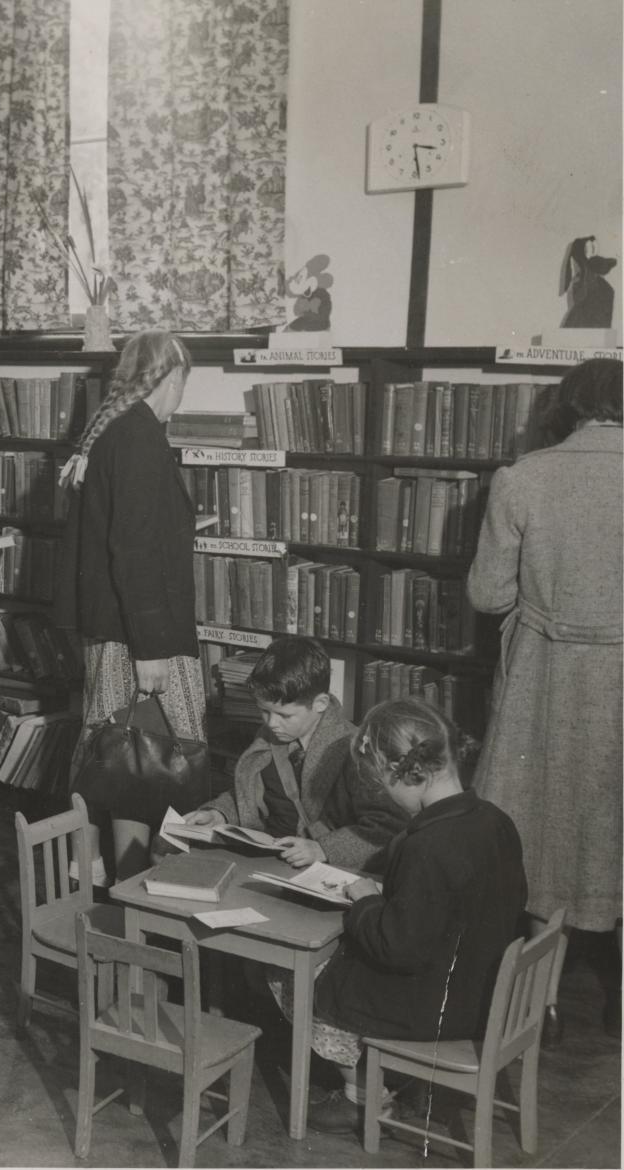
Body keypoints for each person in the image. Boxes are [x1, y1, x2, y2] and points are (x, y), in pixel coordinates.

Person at [286, 697, 526, 1136]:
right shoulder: (494, 820)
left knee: (297, 974)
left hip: (435, 1009)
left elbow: (397, 948)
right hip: (484, 993)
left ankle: (364, 1099)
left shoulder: (426, 845)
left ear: (404, 772)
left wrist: (364, 902)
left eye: (380, 782)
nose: (383, 794)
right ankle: (406, 1083)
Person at [468, 356, 622, 1034]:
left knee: (541, 826)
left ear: (568, 407)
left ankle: (543, 998)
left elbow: (487, 594)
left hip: (545, 680)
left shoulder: (523, 477)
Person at [54, 330, 205, 881]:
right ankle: (139, 885)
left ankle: (93, 871)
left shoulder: (117, 431)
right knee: (162, 757)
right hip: (139, 635)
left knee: (113, 757)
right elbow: (133, 551)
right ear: (173, 377)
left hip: (117, 629)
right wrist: (151, 649)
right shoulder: (139, 436)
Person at [183, 636, 403, 871]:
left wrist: (324, 849)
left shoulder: (354, 749)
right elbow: (251, 793)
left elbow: (387, 827)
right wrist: (220, 814)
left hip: (325, 871)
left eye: (284, 715)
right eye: (264, 712)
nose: (271, 724)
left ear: (320, 703)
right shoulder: (272, 735)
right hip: (266, 860)